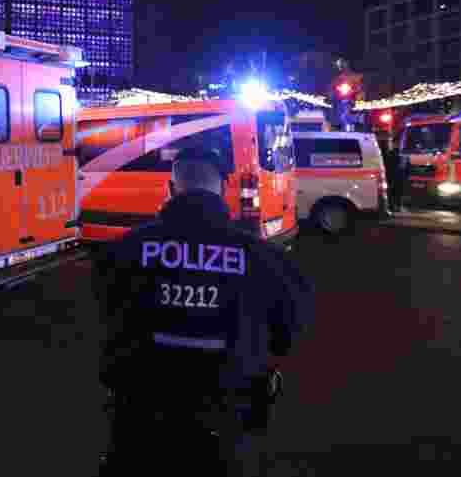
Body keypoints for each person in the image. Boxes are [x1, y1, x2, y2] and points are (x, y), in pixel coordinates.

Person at [95, 149, 313, 475]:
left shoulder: (125, 249)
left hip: (139, 424)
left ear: (171, 189)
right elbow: (290, 331)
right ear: (223, 189)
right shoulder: (263, 257)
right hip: (227, 425)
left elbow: (109, 313)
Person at [383, 143, 405, 213]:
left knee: (392, 192)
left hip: (392, 176)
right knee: (397, 192)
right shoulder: (401, 154)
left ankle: (392, 206)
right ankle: (396, 206)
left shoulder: (389, 154)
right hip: (396, 176)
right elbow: (403, 166)